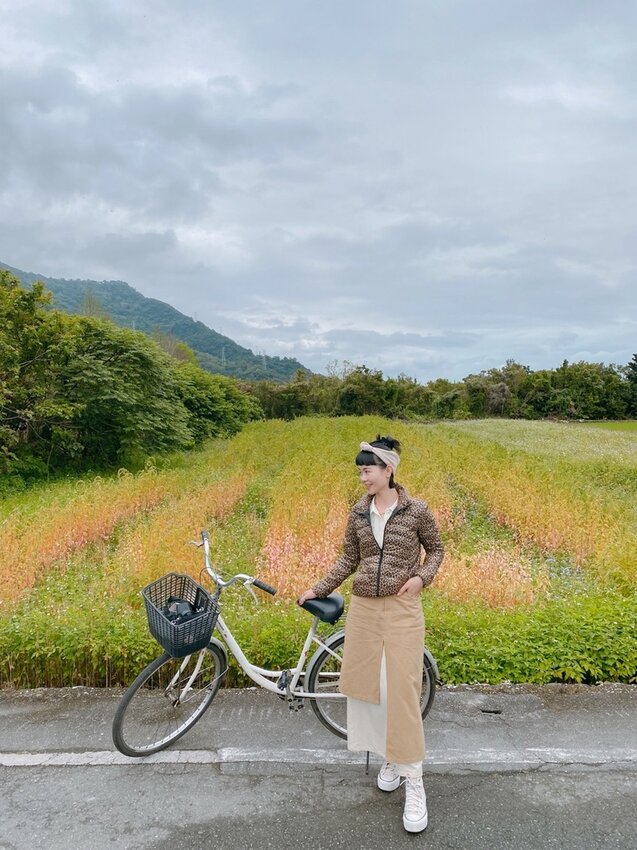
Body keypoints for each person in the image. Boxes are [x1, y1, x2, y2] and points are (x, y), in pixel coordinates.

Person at [298, 435, 444, 833]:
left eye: (368, 470)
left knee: (401, 689)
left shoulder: (416, 510)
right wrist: (320, 588)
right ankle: (390, 758)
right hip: (364, 609)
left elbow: (437, 550)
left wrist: (421, 578)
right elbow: (349, 556)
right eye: (360, 471)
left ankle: (414, 780)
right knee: (369, 689)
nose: (362, 477)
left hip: (401, 609)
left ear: (388, 470)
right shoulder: (358, 513)